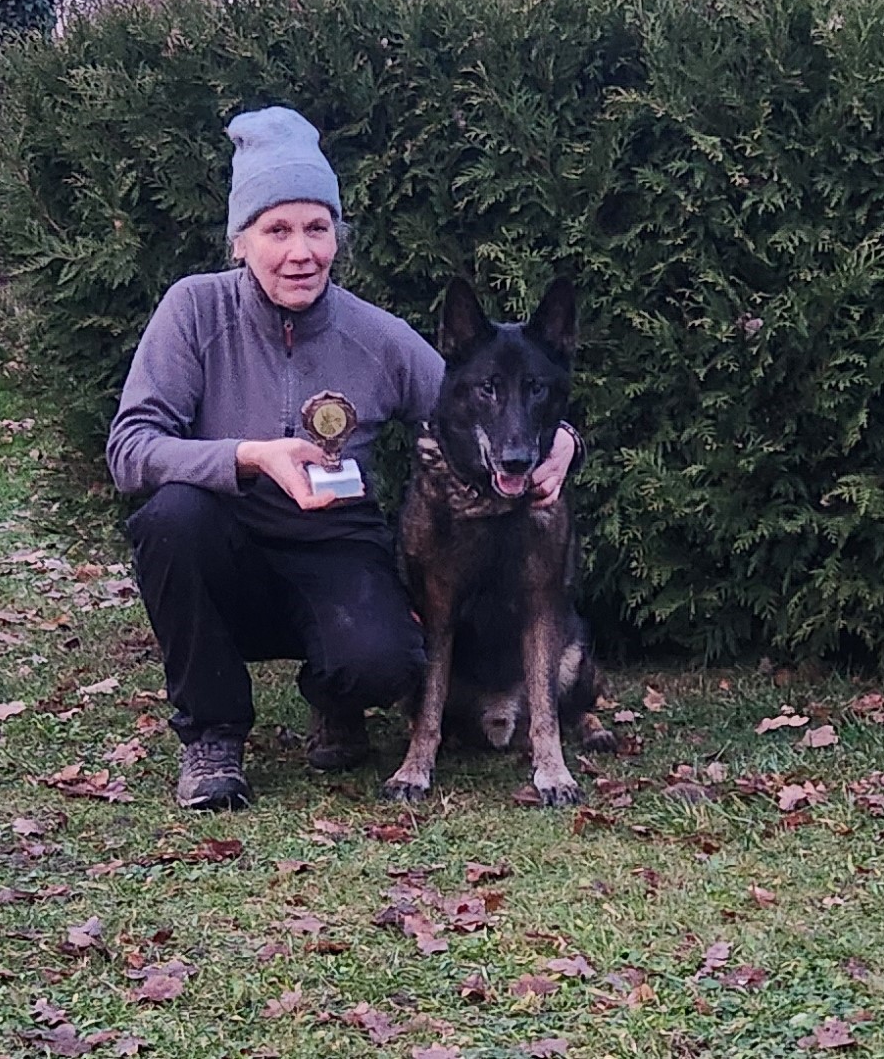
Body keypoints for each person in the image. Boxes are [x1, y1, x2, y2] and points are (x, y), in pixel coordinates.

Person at [108, 106, 579, 809]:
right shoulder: (193, 312)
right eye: (277, 230)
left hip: (333, 545)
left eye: (317, 228)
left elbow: (478, 393)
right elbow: (129, 450)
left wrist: (564, 440)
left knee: (386, 661)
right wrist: (249, 456)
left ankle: (336, 695)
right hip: (224, 540)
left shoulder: (375, 336)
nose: (300, 251)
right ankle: (212, 736)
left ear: (337, 237)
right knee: (170, 519)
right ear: (240, 242)